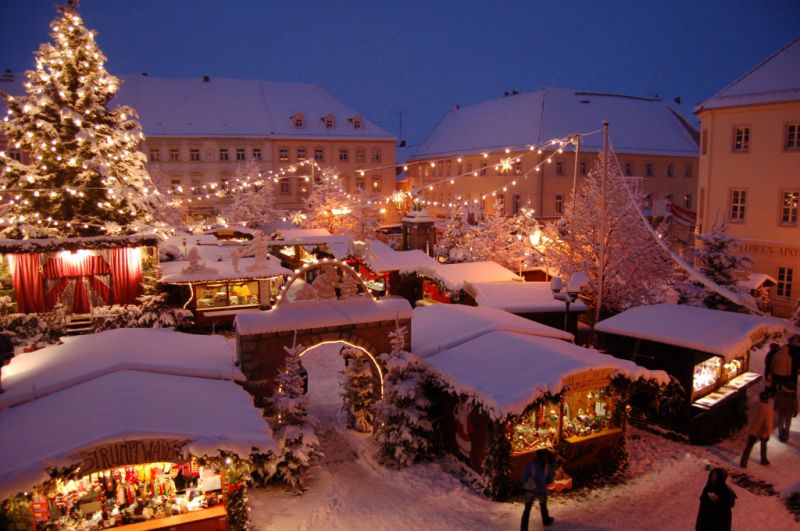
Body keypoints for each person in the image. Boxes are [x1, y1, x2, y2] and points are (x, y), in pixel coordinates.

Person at [520, 449, 554, 530]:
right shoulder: (547, 466)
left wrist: (526, 482)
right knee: (543, 505)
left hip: (530, 490)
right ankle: (546, 520)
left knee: (527, 509)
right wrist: (543, 482)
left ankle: (523, 528)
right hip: (541, 490)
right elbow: (550, 480)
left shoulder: (530, 465)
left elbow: (523, 477)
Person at [740, 390, 773, 467]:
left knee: (749, 446)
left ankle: (743, 462)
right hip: (762, 431)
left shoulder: (754, 405)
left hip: (753, 429)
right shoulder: (767, 409)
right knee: (763, 445)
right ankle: (763, 459)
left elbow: (749, 414)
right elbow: (768, 422)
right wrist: (768, 433)